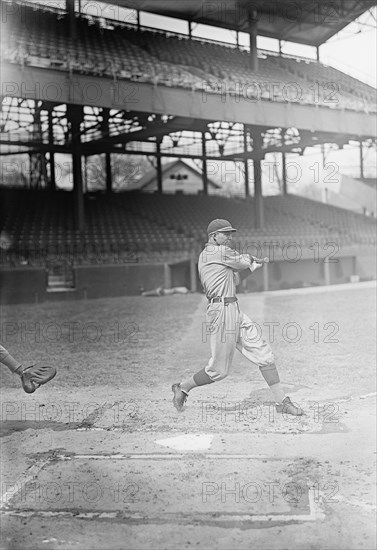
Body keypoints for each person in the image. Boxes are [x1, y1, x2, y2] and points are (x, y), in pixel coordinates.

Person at [172, 219, 303, 416]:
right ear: (213, 236)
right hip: (221, 311)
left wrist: (251, 267)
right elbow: (242, 261)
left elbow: (235, 280)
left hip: (233, 309)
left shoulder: (217, 257)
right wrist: (250, 259)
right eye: (225, 234)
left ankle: (282, 401)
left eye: (231, 233)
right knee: (218, 371)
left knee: (265, 356)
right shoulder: (216, 252)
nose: (230, 237)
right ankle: (182, 387)